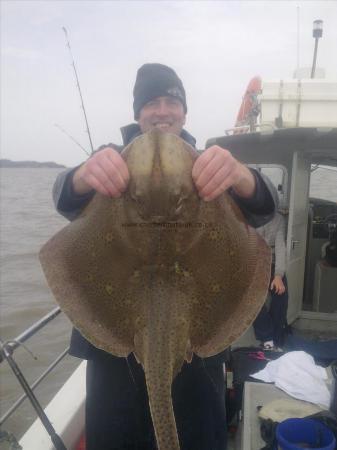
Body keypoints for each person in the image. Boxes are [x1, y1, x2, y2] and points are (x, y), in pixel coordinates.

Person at [53, 63, 278, 450]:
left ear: (184, 112)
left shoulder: (211, 161)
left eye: (171, 102)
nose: (162, 111)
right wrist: (80, 176)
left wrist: (241, 175)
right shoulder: (108, 159)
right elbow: (63, 197)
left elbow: (264, 205)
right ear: (138, 113)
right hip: (114, 347)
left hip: (196, 342)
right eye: (151, 103)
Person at [253, 211, 289, 350]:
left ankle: (277, 339)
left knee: (281, 296)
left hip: (272, 263)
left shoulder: (279, 219)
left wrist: (278, 276)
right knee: (253, 299)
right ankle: (267, 338)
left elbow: (280, 247)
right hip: (252, 263)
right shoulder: (245, 216)